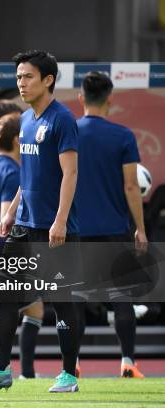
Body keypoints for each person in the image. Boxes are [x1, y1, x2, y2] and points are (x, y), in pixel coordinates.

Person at [0, 50, 81, 393]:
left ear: (48, 80)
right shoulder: (26, 120)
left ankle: (69, 375)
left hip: (54, 228)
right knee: (4, 295)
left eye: (27, 76)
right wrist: (13, 208)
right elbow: (28, 176)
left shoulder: (63, 120)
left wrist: (60, 220)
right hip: (23, 225)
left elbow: (70, 174)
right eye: (18, 77)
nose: (21, 83)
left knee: (61, 302)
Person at [74, 71, 147, 378]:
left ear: (81, 98)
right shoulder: (123, 136)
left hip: (76, 230)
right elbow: (132, 186)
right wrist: (140, 228)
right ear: (110, 99)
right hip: (114, 229)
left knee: (75, 300)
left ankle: (72, 365)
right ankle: (128, 361)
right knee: (121, 298)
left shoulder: (70, 134)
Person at [0, 112, 45, 379]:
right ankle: (22, 371)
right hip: (7, 251)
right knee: (30, 307)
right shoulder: (13, 173)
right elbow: (8, 217)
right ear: (17, 140)